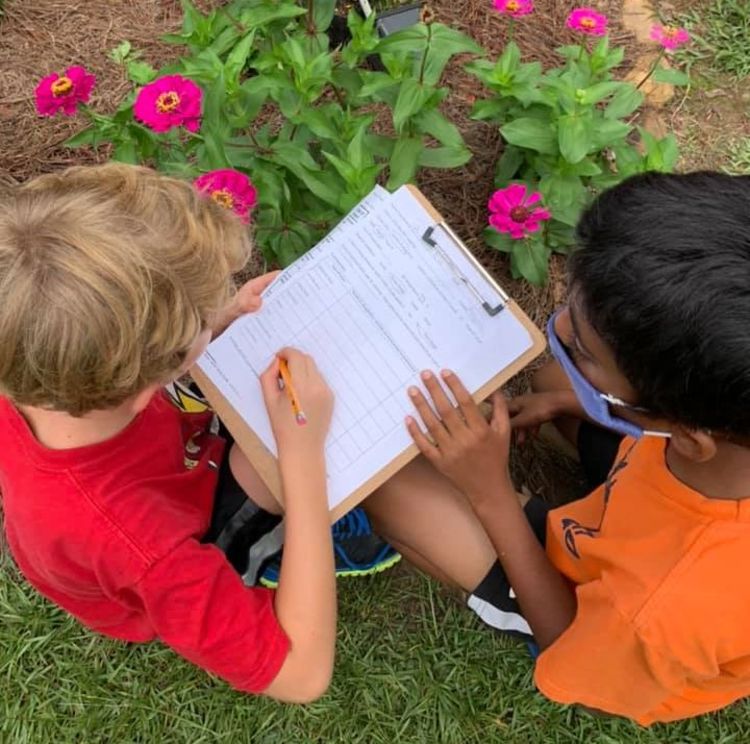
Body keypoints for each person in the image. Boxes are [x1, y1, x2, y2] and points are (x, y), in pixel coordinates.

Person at [364, 172, 750, 725]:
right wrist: (572, 403)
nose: (560, 328)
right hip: (644, 502)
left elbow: (563, 638)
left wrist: (490, 492)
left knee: (390, 487)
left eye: (586, 350)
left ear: (689, 436)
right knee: (552, 385)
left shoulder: (662, 610)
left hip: (584, 609)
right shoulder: (720, 434)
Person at [0, 162, 394, 703]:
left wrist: (221, 319)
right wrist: (302, 466)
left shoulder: (31, 345)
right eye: (202, 322)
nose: (219, 309)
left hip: (166, 467)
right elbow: (302, 676)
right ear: (147, 385)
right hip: (160, 541)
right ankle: (269, 550)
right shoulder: (145, 549)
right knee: (276, 466)